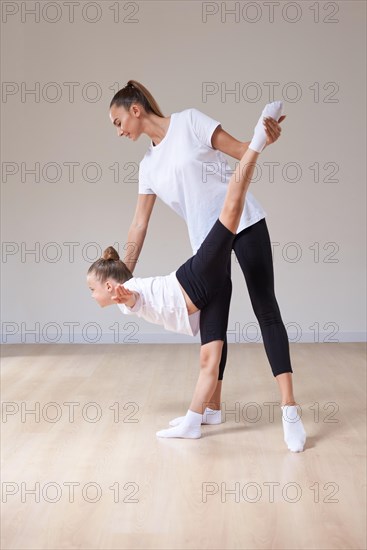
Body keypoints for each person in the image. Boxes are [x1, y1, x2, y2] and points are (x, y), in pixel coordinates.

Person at [87, 102, 306, 451]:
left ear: (135, 109)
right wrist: (123, 277)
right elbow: (139, 223)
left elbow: (240, 151)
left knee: (265, 307)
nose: (119, 131)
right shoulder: (148, 166)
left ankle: (290, 409)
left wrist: (265, 138)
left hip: (245, 222)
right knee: (213, 325)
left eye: (118, 121)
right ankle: (211, 409)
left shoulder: (188, 122)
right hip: (207, 242)